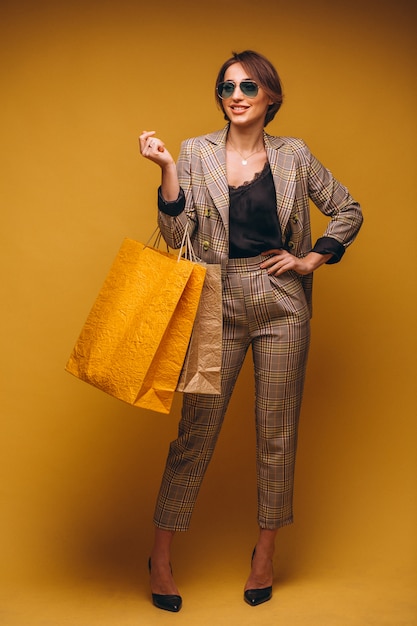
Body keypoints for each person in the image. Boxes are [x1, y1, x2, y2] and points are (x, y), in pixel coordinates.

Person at [139, 50, 363, 612]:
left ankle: (265, 554)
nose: (235, 94)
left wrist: (311, 259)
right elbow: (173, 233)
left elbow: (348, 210)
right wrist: (167, 170)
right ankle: (160, 557)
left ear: (270, 97)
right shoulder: (194, 152)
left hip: (281, 301)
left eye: (247, 86)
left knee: (276, 433)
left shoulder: (293, 156)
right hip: (216, 300)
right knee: (198, 430)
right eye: (226, 86)